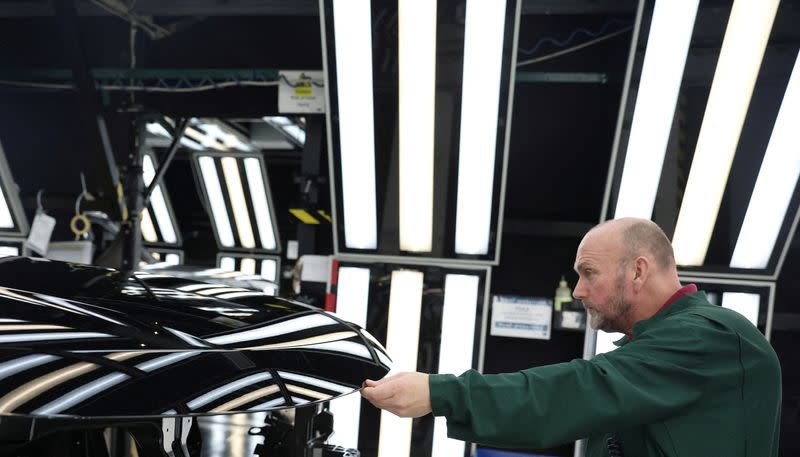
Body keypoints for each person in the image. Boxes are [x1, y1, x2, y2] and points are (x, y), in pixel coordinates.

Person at [361, 217, 781, 456]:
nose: (578, 290)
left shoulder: (713, 339)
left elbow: (577, 390)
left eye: (588, 273)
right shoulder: (662, 347)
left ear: (637, 270)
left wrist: (441, 393)